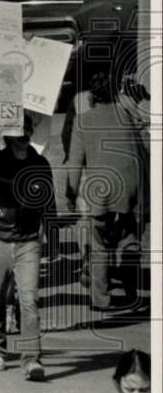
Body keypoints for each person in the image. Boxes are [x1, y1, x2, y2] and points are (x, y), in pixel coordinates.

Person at [0, 114, 55, 381]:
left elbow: (48, 205)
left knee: (29, 300)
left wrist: (52, 241)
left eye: (25, 132)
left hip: (28, 241)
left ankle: (31, 360)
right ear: (9, 136)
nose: (21, 138)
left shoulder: (39, 164)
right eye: (17, 133)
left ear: (30, 134)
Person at [65, 72, 143, 312]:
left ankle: (101, 299)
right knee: (129, 237)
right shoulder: (127, 115)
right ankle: (131, 292)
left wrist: (71, 194)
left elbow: (75, 164)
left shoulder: (83, 121)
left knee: (99, 243)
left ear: (91, 97)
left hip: (101, 191)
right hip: (131, 187)